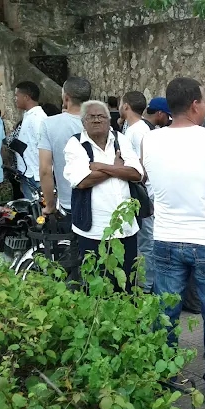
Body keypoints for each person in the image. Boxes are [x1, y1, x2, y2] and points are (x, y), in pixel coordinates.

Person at [143, 76, 205, 400]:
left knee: (165, 310)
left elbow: (151, 175)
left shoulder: (150, 141)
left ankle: (167, 376)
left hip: (166, 237)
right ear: (196, 104)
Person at [63, 100, 143, 286]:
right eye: (91, 117)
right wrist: (117, 168)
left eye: (101, 116)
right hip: (93, 230)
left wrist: (101, 167)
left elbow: (137, 174)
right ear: (83, 122)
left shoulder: (120, 139)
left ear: (109, 120)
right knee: (96, 284)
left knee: (126, 283)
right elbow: (82, 181)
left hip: (126, 228)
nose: (97, 120)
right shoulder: (76, 143)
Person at [39, 77, 92, 217]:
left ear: (66, 98)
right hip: (99, 202)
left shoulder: (49, 124)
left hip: (70, 203)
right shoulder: (101, 123)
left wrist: (50, 205)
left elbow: (45, 170)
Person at [120, 91, 154, 293]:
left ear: (126, 106)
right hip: (141, 192)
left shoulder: (138, 130)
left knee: (146, 241)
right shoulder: (135, 128)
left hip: (143, 193)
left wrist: (136, 176)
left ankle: (147, 285)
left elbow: (145, 163)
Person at [15, 81, 47, 199]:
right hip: (27, 173)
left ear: (26, 97)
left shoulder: (38, 118)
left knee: (39, 209)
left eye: (17, 95)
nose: (15, 99)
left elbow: (45, 147)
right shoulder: (28, 115)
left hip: (36, 176)